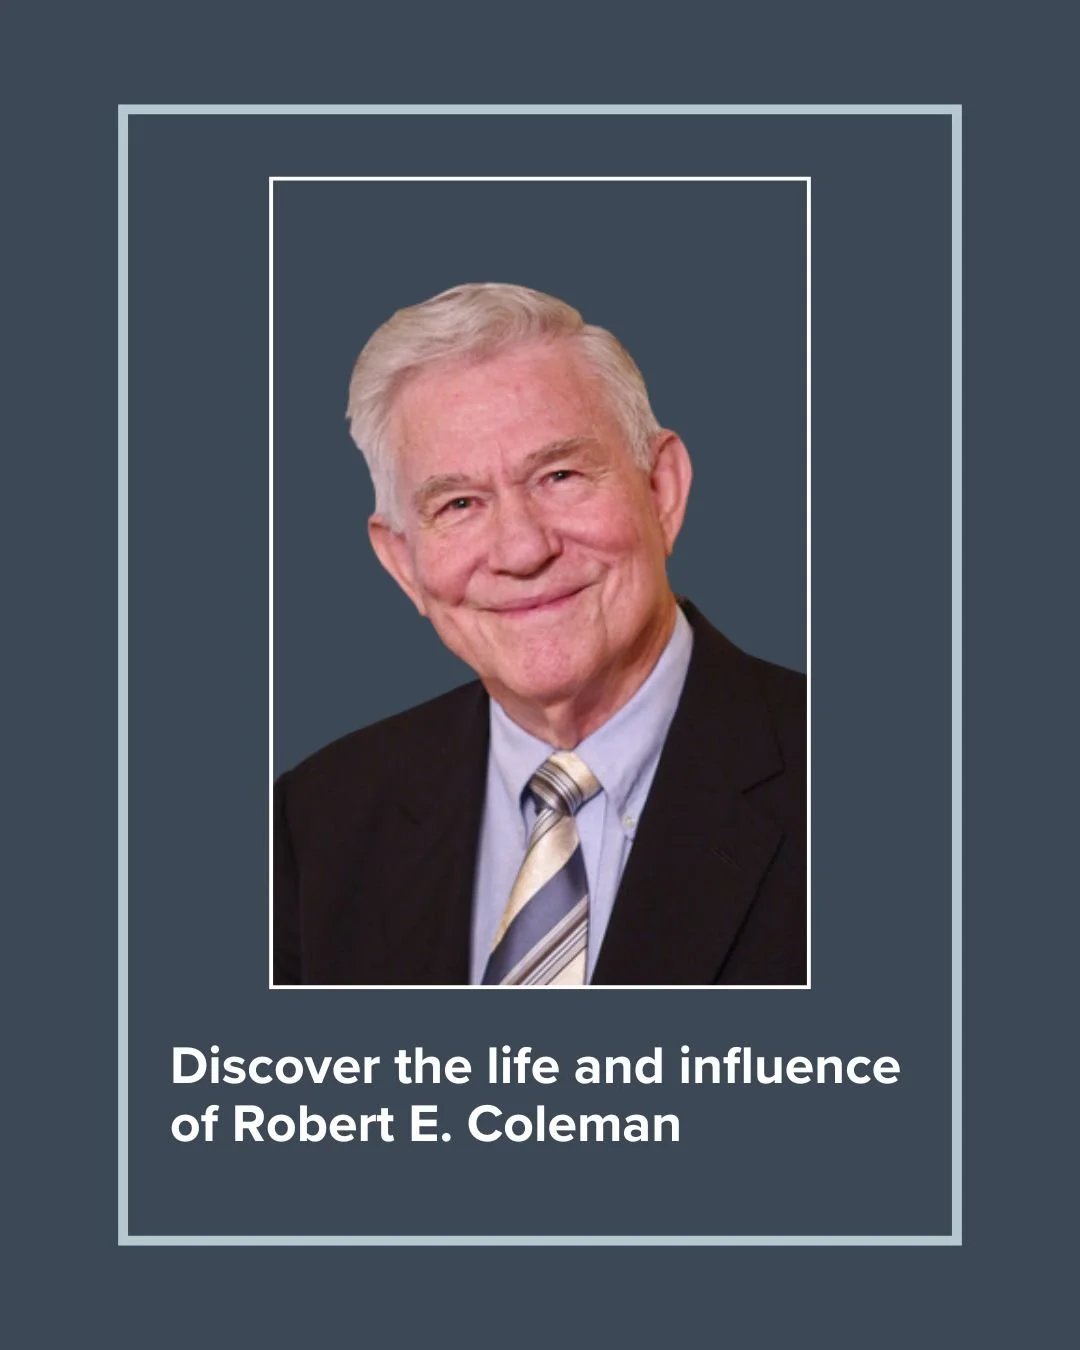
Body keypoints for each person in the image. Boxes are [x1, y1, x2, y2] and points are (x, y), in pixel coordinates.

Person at [274, 283, 805, 986]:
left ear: (661, 490)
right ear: (403, 562)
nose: (522, 550)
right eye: (458, 503)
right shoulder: (316, 824)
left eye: (559, 475)